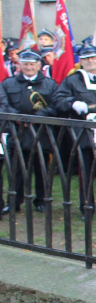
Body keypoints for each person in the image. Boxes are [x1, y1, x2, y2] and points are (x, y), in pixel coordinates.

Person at [53, 43, 96, 217]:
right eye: (85, 58)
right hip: (84, 133)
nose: (90, 61)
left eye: (92, 57)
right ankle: (87, 207)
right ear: (81, 61)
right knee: (86, 170)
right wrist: (72, 104)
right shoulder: (72, 80)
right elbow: (59, 101)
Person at [0, 49, 60, 214]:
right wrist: (17, 117)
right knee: (16, 170)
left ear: (39, 65)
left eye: (32, 64)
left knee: (41, 168)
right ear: (20, 65)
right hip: (17, 132)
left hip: (41, 133)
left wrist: (37, 118)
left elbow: (55, 105)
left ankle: (41, 200)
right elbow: (3, 103)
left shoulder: (50, 84)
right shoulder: (8, 83)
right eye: (25, 64)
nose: (28, 67)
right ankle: (15, 202)